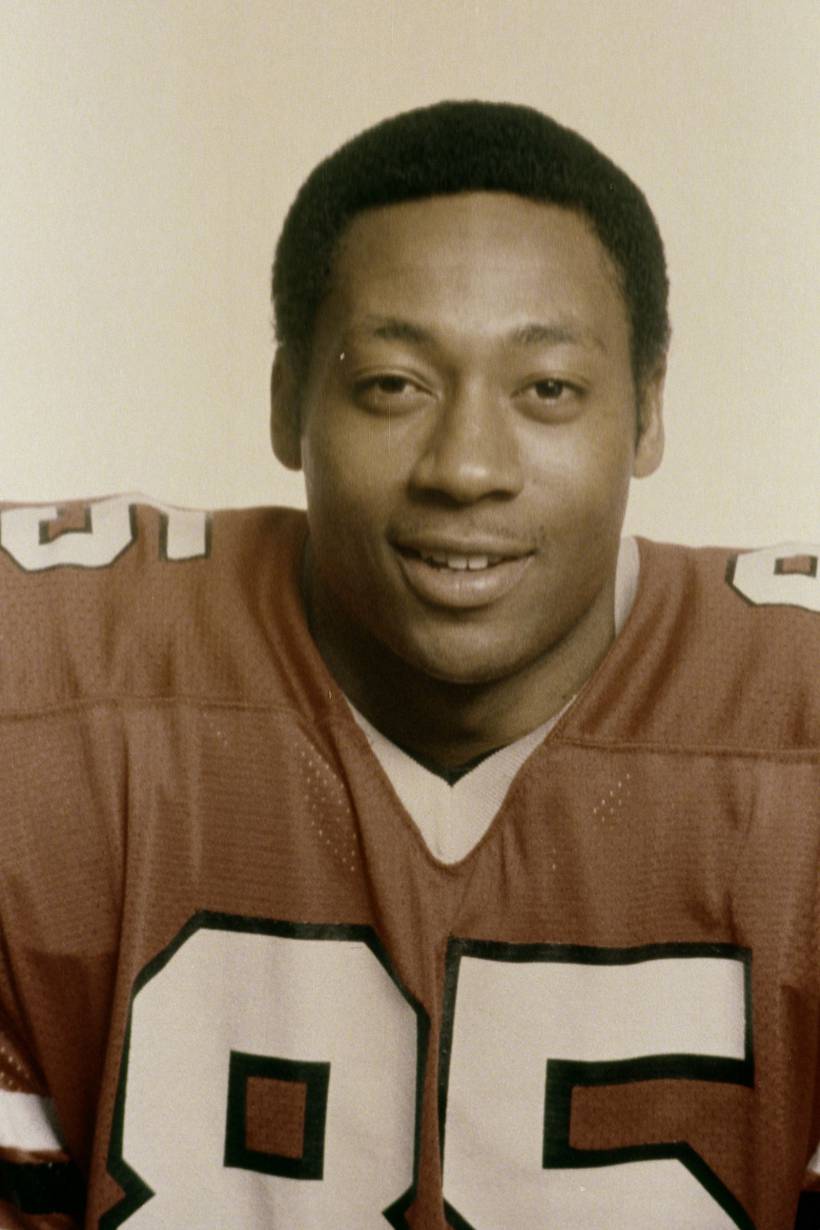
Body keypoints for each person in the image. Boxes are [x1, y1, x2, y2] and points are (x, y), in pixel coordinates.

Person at [0, 100, 817, 1230]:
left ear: (646, 411)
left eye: (547, 389)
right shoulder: (51, 697)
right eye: (393, 383)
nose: (466, 467)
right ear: (287, 400)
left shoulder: (792, 732)